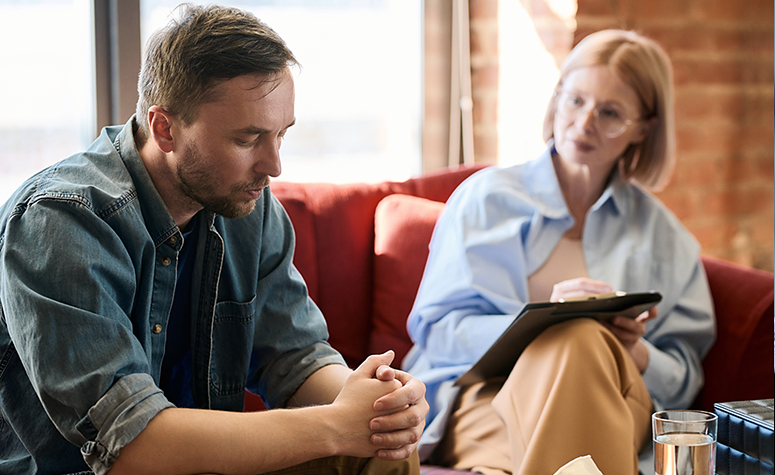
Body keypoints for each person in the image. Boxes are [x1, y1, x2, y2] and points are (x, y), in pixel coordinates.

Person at [0, 4, 427, 475]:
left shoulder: (245, 205)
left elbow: (294, 356)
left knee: (382, 444)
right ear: (164, 129)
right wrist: (335, 426)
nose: (273, 166)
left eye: (280, 135)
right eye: (247, 139)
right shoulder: (61, 221)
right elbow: (130, 443)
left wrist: (375, 404)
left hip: (198, 463)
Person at [403, 29, 715, 475]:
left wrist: (635, 352)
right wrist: (541, 323)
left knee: (583, 339)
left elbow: (685, 378)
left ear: (643, 128)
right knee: (573, 338)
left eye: (610, 113)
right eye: (575, 100)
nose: (584, 123)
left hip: (616, 395)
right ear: (557, 97)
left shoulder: (666, 237)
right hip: (486, 396)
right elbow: (438, 331)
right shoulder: (486, 198)